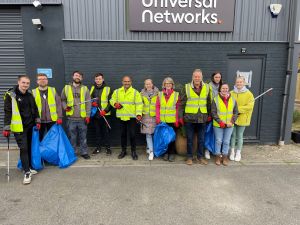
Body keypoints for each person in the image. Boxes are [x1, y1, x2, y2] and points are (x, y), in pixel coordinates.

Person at [3, 75, 41, 184]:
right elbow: (8, 111)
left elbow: (35, 108)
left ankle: (27, 167)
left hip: (30, 126)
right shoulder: (11, 95)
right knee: (23, 148)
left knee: (28, 147)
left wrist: (37, 120)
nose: (25, 85)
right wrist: (6, 126)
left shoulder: (29, 95)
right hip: (19, 128)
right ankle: (27, 172)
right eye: (23, 83)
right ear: (18, 82)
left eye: (27, 83)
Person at [180, 69, 211, 166]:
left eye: (199, 76)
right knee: (190, 139)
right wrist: (181, 117)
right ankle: (189, 157)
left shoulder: (207, 87)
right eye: (195, 76)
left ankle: (200, 157)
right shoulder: (186, 87)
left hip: (202, 118)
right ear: (192, 77)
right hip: (189, 118)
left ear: (201, 77)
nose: (197, 78)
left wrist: (209, 115)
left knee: (201, 139)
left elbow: (209, 102)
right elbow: (182, 103)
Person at [110, 75, 143, 160]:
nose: (127, 83)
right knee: (122, 135)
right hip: (121, 117)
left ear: (131, 82)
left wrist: (139, 114)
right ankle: (123, 151)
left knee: (132, 135)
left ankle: (133, 152)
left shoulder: (135, 92)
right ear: (122, 82)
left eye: (128, 81)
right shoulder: (117, 91)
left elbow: (139, 104)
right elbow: (111, 100)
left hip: (132, 117)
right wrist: (115, 104)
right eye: (125, 81)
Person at [61, 71, 91, 159]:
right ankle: (72, 152)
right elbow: (62, 99)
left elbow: (88, 103)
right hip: (71, 118)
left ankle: (84, 152)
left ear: (82, 78)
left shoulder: (85, 89)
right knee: (72, 137)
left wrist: (88, 116)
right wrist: (65, 107)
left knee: (83, 137)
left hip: (82, 118)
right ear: (73, 76)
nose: (78, 77)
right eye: (76, 75)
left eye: (80, 76)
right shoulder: (66, 88)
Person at [211, 83, 238, 166]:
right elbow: (213, 112)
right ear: (220, 89)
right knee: (218, 141)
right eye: (223, 88)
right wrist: (220, 122)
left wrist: (232, 122)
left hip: (229, 125)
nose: (225, 90)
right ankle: (218, 156)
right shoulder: (215, 99)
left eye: (226, 88)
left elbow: (236, 112)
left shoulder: (233, 100)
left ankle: (225, 157)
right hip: (218, 125)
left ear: (228, 89)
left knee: (226, 141)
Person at [156, 77, 181, 162]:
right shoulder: (160, 94)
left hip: (172, 120)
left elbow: (178, 108)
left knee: (171, 138)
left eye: (169, 83)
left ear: (172, 85)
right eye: (166, 83)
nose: (168, 85)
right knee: (164, 138)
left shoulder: (176, 94)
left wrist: (177, 119)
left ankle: (171, 154)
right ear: (164, 85)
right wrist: (158, 118)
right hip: (163, 120)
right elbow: (157, 106)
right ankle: (165, 153)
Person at [230, 76, 255, 161]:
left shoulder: (249, 94)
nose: (239, 84)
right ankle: (232, 151)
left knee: (239, 136)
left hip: (243, 117)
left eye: (241, 82)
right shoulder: (231, 93)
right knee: (232, 135)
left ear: (244, 83)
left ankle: (238, 153)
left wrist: (238, 109)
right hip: (233, 118)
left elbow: (250, 106)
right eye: (237, 82)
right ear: (235, 83)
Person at [32, 73, 63, 141]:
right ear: (37, 81)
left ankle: (52, 152)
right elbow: (32, 108)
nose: (42, 80)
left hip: (52, 120)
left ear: (47, 80)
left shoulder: (53, 90)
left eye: (44, 79)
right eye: (40, 79)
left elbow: (58, 104)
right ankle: (39, 151)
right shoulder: (33, 92)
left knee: (53, 139)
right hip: (39, 121)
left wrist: (59, 117)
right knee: (39, 139)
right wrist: (35, 120)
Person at [90, 73, 113, 155]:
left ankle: (108, 148)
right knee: (97, 132)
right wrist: (92, 103)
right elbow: (90, 99)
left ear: (103, 79)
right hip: (95, 114)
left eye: (99, 79)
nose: (98, 80)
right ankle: (98, 148)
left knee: (106, 132)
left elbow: (111, 102)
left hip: (105, 115)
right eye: (96, 79)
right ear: (94, 80)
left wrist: (105, 111)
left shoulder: (108, 89)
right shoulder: (92, 88)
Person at [205, 71, 223, 159]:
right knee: (209, 132)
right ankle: (207, 150)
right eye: (216, 77)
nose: (217, 79)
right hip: (210, 112)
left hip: (219, 114)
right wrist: (208, 113)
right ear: (213, 78)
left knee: (218, 134)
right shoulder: (208, 86)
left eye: (219, 77)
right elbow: (206, 100)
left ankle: (216, 150)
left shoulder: (222, 87)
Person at [140, 79, 159, 160]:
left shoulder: (158, 93)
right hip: (146, 116)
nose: (148, 85)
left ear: (152, 84)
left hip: (155, 116)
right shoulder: (141, 94)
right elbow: (139, 104)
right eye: (146, 84)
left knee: (154, 133)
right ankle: (151, 152)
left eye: (149, 84)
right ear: (145, 85)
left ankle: (149, 148)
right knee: (148, 134)